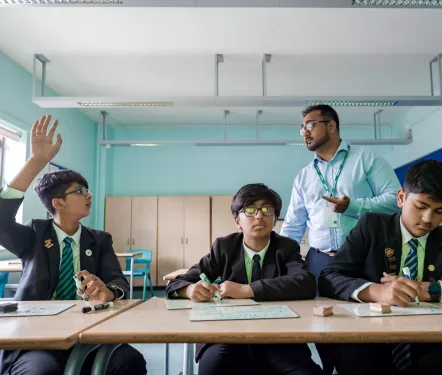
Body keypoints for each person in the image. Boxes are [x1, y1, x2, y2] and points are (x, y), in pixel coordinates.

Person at [318, 159, 442, 375]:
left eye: (439, 211)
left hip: (435, 341)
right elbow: (329, 276)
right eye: (421, 206)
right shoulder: (372, 227)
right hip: (369, 340)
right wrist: (378, 292)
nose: (427, 219)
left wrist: (426, 290)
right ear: (401, 198)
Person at [0, 115, 147, 375]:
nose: (88, 195)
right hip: (38, 338)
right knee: (42, 371)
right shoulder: (34, 234)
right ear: (58, 203)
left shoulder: (99, 240)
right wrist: (36, 161)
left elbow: (118, 281)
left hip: (91, 330)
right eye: (79, 191)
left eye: (87, 190)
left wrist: (108, 292)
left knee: (129, 361)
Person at [166, 183, 321, 375]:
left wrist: (247, 290)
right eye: (249, 210)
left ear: (274, 218)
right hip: (225, 335)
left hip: (278, 337)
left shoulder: (286, 248)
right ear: (237, 220)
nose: (259, 216)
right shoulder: (224, 247)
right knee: (213, 368)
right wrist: (189, 290)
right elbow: (178, 282)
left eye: (267, 209)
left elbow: (305, 283)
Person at [280, 104, 401, 283]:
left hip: (364, 258)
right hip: (319, 260)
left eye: (310, 125)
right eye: (302, 129)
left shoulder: (365, 159)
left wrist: (352, 206)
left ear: (331, 126)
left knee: (367, 308)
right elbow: (293, 225)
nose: (305, 133)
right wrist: (280, 260)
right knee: (319, 309)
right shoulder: (303, 177)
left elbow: (395, 200)